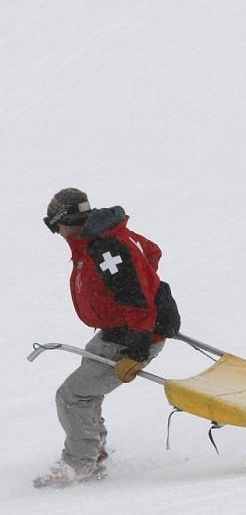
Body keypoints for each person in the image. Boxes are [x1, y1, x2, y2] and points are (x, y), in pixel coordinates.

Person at [34, 188, 180, 488]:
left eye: (55, 225)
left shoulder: (105, 249)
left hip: (132, 337)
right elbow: (151, 251)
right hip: (117, 331)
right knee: (86, 391)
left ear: (68, 220)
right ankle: (94, 451)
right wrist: (144, 277)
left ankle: (79, 463)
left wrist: (138, 349)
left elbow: (135, 300)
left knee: (73, 395)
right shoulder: (104, 235)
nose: (56, 232)